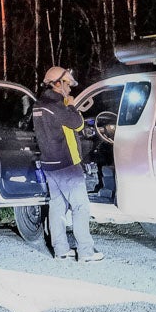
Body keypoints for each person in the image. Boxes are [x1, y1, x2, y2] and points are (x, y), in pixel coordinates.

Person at [32, 66, 103, 262]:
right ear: (57, 84)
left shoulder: (38, 105)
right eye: (68, 84)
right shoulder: (58, 107)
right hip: (66, 164)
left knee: (57, 206)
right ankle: (86, 251)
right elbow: (78, 124)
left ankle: (61, 250)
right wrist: (71, 105)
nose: (70, 89)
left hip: (49, 164)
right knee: (80, 206)